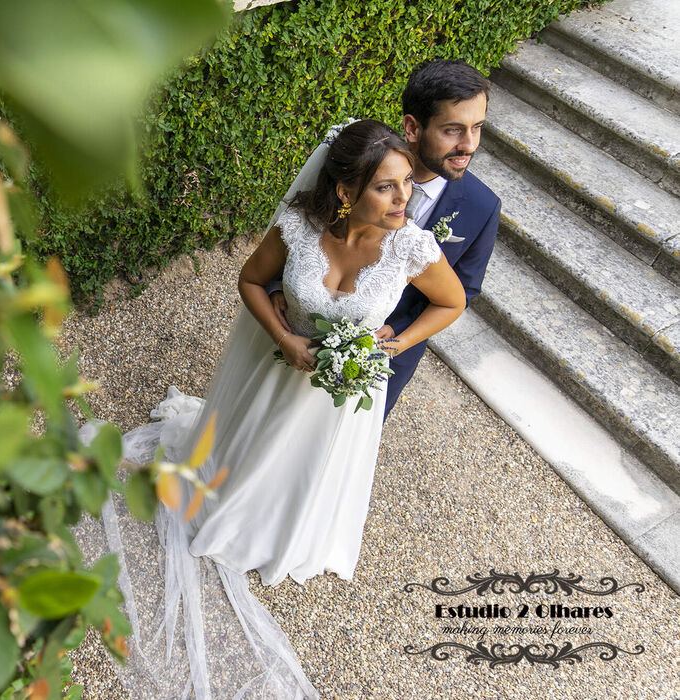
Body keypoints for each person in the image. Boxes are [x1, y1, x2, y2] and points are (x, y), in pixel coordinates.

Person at [81, 120, 466, 698]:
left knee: (312, 467)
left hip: (341, 399)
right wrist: (286, 340)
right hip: (276, 374)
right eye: (387, 187)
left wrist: (388, 345)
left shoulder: (410, 244)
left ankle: (292, 529)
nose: (404, 198)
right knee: (249, 449)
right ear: (344, 191)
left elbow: (452, 302)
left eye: (406, 182)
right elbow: (251, 280)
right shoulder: (299, 227)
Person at [269, 59, 501, 418]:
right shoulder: (358, 159)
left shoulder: (482, 207)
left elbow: (462, 293)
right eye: (453, 130)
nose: (469, 145)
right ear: (412, 127)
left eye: (477, 128)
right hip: (298, 336)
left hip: (379, 363)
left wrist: (395, 337)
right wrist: (279, 290)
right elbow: (304, 228)